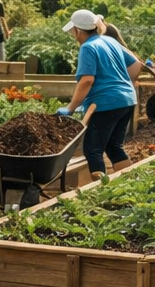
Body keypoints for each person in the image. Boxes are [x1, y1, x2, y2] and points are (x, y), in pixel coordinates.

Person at [57, 9, 139, 177]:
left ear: (78, 30)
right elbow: (136, 65)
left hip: (105, 103)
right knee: (114, 146)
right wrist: (120, 85)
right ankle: (129, 185)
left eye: (73, 31)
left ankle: (101, 193)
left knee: (93, 150)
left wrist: (71, 107)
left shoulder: (87, 47)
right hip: (127, 100)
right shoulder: (109, 41)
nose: (74, 35)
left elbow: (87, 81)